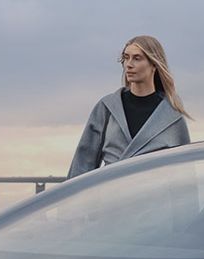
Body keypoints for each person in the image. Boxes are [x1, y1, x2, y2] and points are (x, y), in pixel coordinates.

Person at [68, 35, 192, 178]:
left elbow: (184, 174)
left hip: (155, 197)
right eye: (126, 58)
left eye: (137, 58)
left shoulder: (171, 115)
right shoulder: (107, 107)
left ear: (154, 65)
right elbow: (82, 165)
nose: (129, 64)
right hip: (112, 195)